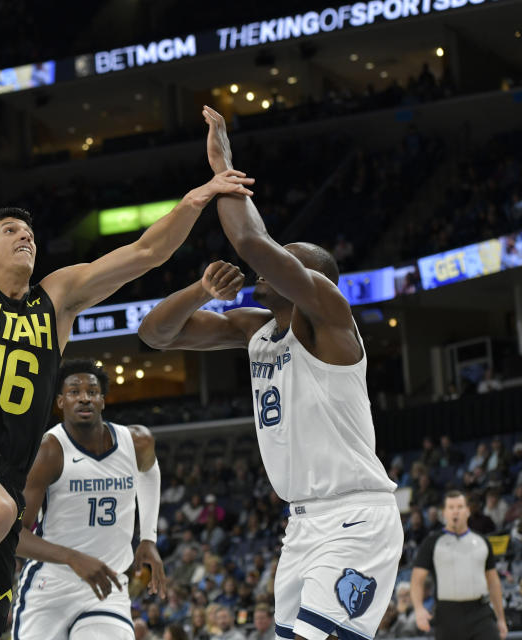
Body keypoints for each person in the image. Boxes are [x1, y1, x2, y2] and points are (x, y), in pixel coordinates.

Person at [0, 32, 255, 640]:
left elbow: (146, 252)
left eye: (29, 231)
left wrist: (201, 195)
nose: (24, 234)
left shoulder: (58, 300)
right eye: (9, 230)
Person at [139, 106, 403, 640]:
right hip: (301, 523)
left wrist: (223, 170)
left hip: (356, 518)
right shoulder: (253, 328)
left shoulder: (329, 320)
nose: (270, 263)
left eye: (288, 260)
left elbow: (252, 243)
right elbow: (155, 335)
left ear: (313, 281)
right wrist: (200, 293)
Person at [12, 360, 164, 640]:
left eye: (92, 391)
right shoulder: (48, 452)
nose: (84, 397)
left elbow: (150, 471)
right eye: (74, 391)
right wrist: (72, 558)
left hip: (107, 588)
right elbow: (14, 536)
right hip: (51, 587)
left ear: (103, 401)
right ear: (60, 401)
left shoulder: (137, 441)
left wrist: (148, 537)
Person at [411, 490, 508, 640]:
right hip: (448, 615)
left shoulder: (482, 541)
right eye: (451, 507)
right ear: (444, 513)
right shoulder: (432, 543)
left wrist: (501, 619)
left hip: (480, 612)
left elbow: (494, 582)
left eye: (460, 506)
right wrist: (418, 609)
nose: (455, 511)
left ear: (468, 511)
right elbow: (417, 580)